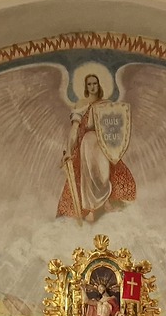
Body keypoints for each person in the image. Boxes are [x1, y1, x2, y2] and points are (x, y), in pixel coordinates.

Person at [57, 73, 136, 222]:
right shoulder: (81, 104)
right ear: (86, 87)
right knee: (89, 176)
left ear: (98, 85)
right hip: (88, 142)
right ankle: (91, 210)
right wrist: (68, 150)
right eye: (89, 84)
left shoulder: (106, 104)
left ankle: (106, 203)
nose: (92, 87)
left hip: (103, 143)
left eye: (94, 83)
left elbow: (114, 126)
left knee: (104, 175)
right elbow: (74, 129)